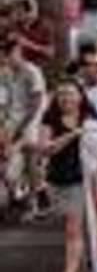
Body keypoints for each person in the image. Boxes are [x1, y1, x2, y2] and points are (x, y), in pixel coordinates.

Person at [30, 81, 97, 272]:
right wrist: (74, 134)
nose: (65, 98)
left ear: (80, 96)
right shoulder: (50, 119)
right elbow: (45, 149)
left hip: (82, 180)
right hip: (58, 181)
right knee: (73, 228)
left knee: (73, 231)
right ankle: (84, 269)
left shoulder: (91, 116)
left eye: (70, 93)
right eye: (61, 95)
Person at [0, 35, 47, 217]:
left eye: (7, 55)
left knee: (30, 160)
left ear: (17, 52)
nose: (4, 59)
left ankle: (33, 203)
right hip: (12, 119)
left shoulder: (32, 71)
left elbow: (36, 103)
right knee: (7, 161)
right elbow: (4, 102)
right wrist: (5, 124)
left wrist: (21, 128)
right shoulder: (6, 73)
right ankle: (16, 196)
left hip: (31, 119)